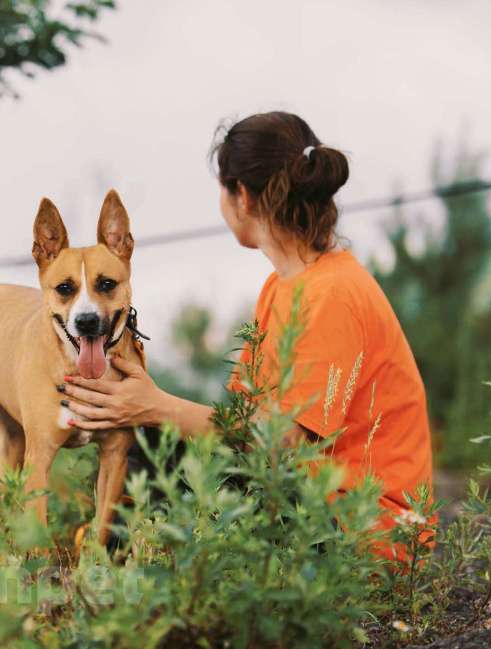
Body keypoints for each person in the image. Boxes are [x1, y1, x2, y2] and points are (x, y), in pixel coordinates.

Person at [59, 111, 434, 554]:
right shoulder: (283, 286)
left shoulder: (334, 294)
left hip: (363, 535)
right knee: (152, 439)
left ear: (242, 197)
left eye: (222, 188)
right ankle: (118, 548)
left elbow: (282, 443)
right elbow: (238, 422)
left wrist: (154, 405)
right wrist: (139, 404)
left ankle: (128, 555)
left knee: (157, 432)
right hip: (305, 503)